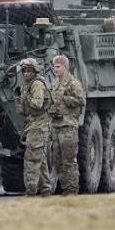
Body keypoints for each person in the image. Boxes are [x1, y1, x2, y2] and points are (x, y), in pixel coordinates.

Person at [48, 55, 86, 195]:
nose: (55, 69)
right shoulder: (57, 84)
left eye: (58, 67)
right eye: (54, 67)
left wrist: (64, 100)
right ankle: (65, 189)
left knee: (69, 161)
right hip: (57, 126)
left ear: (65, 67)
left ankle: (72, 190)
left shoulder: (73, 83)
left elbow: (81, 100)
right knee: (57, 161)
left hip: (68, 127)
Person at [17, 58, 52, 197]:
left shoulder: (36, 84)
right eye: (24, 71)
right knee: (40, 160)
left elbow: (37, 104)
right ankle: (45, 190)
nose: (26, 73)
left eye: (29, 71)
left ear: (35, 71)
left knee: (31, 159)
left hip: (38, 126)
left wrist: (26, 98)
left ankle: (31, 192)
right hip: (33, 125)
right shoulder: (28, 85)